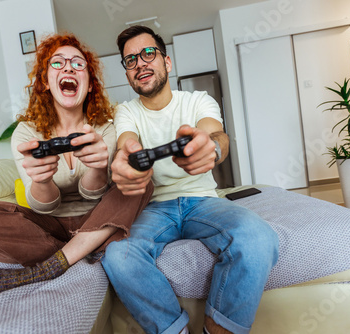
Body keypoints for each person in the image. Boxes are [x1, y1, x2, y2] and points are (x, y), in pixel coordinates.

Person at [101, 25, 279, 334]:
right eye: (130, 60)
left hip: (203, 201)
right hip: (152, 208)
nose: (140, 63)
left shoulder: (198, 100)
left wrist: (209, 148)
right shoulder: (125, 111)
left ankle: (219, 328)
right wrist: (127, 159)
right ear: (127, 73)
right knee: (118, 254)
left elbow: (216, 136)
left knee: (259, 237)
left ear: (166, 63)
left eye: (148, 54)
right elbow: (127, 143)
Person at [0, 33, 152, 307]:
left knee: (140, 177)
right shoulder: (26, 133)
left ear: (90, 84)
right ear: (46, 82)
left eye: (78, 64)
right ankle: (85, 251)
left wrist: (97, 168)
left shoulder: (105, 127)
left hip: (98, 216)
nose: (68, 67)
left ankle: (50, 267)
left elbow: (97, 195)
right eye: (57, 63)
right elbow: (44, 207)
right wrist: (42, 180)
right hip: (49, 228)